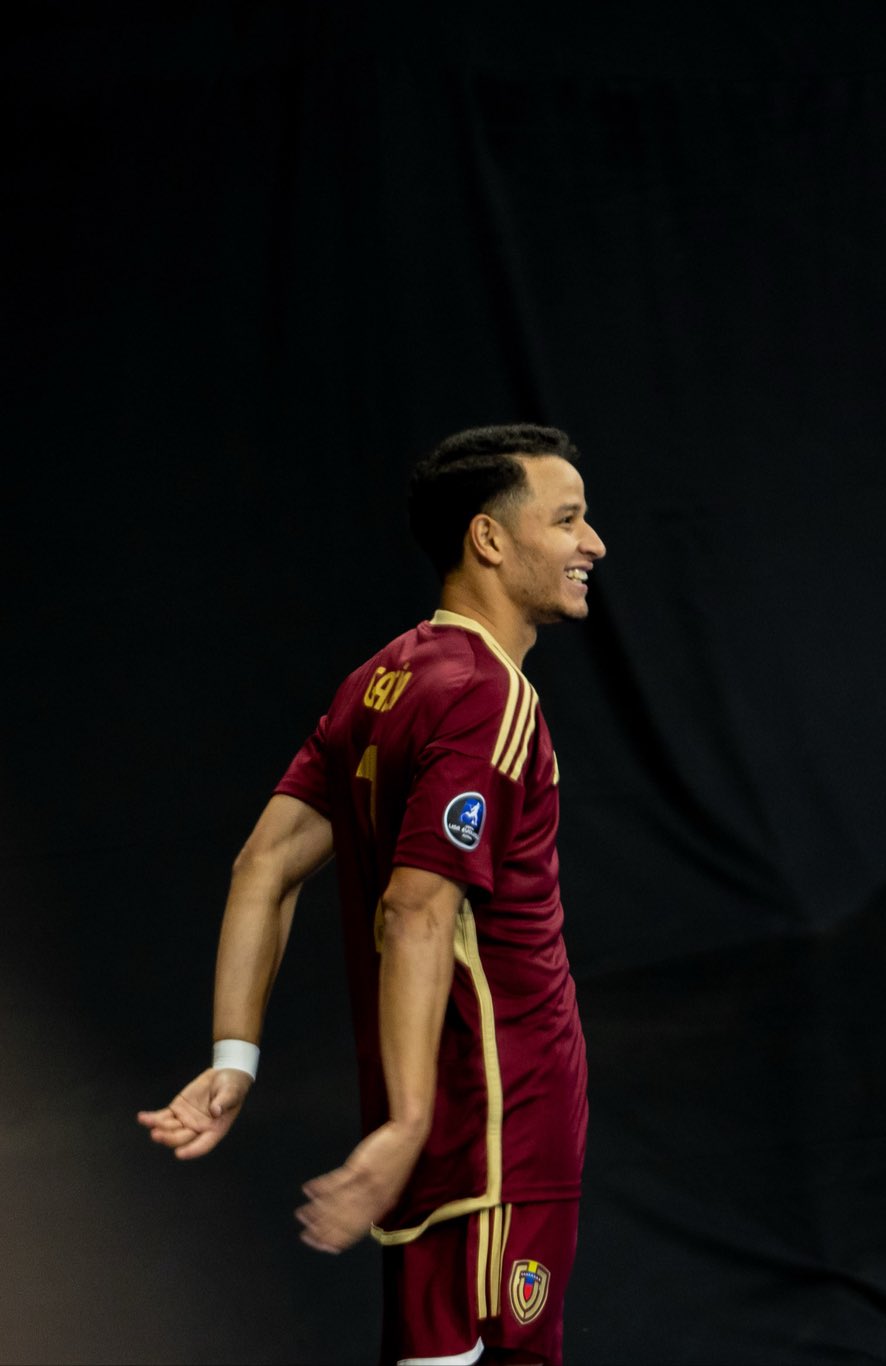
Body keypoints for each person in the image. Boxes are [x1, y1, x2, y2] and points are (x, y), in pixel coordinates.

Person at [137, 424, 606, 1366]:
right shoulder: (491, 698)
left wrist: (236, 1059)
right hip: (498, 1132)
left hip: (442, 1140)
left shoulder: (382, 680)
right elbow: (415, 909)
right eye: (568, 519)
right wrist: (408, 1122)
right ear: (489, 539)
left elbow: (261, 867)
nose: (594, 544)